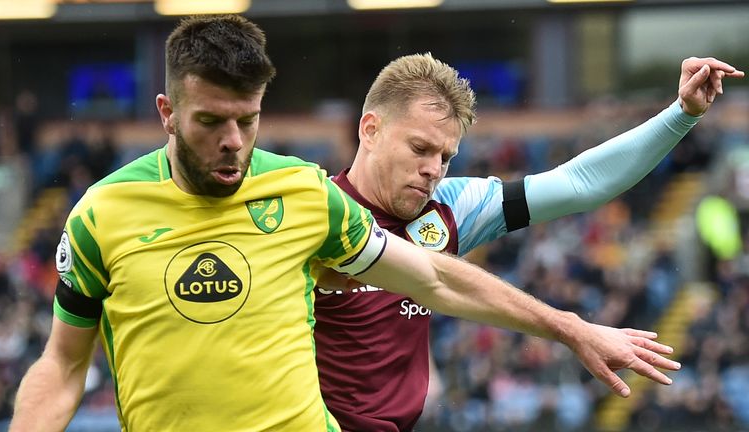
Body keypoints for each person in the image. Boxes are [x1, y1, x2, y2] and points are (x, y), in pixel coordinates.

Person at [10, 14, 680, 432]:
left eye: (249, 121)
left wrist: (569, 328)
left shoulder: (327, 201)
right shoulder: (101, 213)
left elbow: (438, 278)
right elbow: (63, 363)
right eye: (212, 122)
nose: (235, 142)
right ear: (166, 113)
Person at [313, 53, 745, 431]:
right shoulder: (311, 217)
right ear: (370, 130)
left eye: (445, 157)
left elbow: (580, 183)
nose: (433, 169)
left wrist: (681, 114)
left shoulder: (451, 207)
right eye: (420, 147)